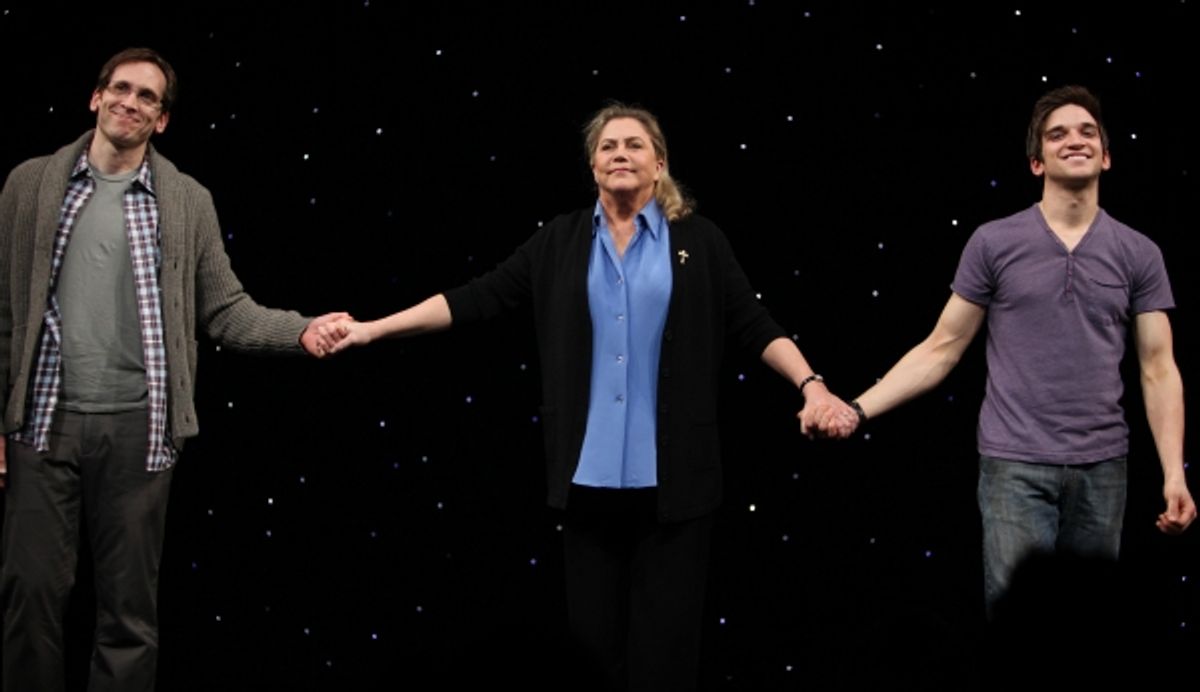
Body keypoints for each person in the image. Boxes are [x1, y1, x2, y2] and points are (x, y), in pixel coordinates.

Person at [325, 102, 856, 690]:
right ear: (593, 165)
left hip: (674, 488)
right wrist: (371, 329)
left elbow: (754, 323)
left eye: (634, 144)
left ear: (659, 165)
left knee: (665, 664)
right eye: (608, 146)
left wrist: (813, 386)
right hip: (587, 485)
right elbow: (474, 298)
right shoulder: (559, 241)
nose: (620, 154)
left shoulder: (699, 241)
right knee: (591, 660)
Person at [0, 47, 347, 691]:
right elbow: (5, 307)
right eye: (121, 89)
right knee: (29, 597)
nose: (130, 103)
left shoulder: (184, 201)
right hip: (42, 425)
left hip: (139, 432)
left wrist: (300, 330)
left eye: (147, 98)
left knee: (128, 616)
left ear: (161, 121)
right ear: (96, 97)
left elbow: (226, 310)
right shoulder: (31, 185)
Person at [809, 85, 1196, 616]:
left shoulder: (1139, 253)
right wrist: (855, 408)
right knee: (1021, 627)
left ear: (1106, 155)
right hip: (1014, 466)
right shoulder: (994, 243)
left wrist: (1174, 473)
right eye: (1057, 134)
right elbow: (941, 348)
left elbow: (1158, 369)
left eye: (1087, 132)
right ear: (1037, 162)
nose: (1074, 141)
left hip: (1103, 467)